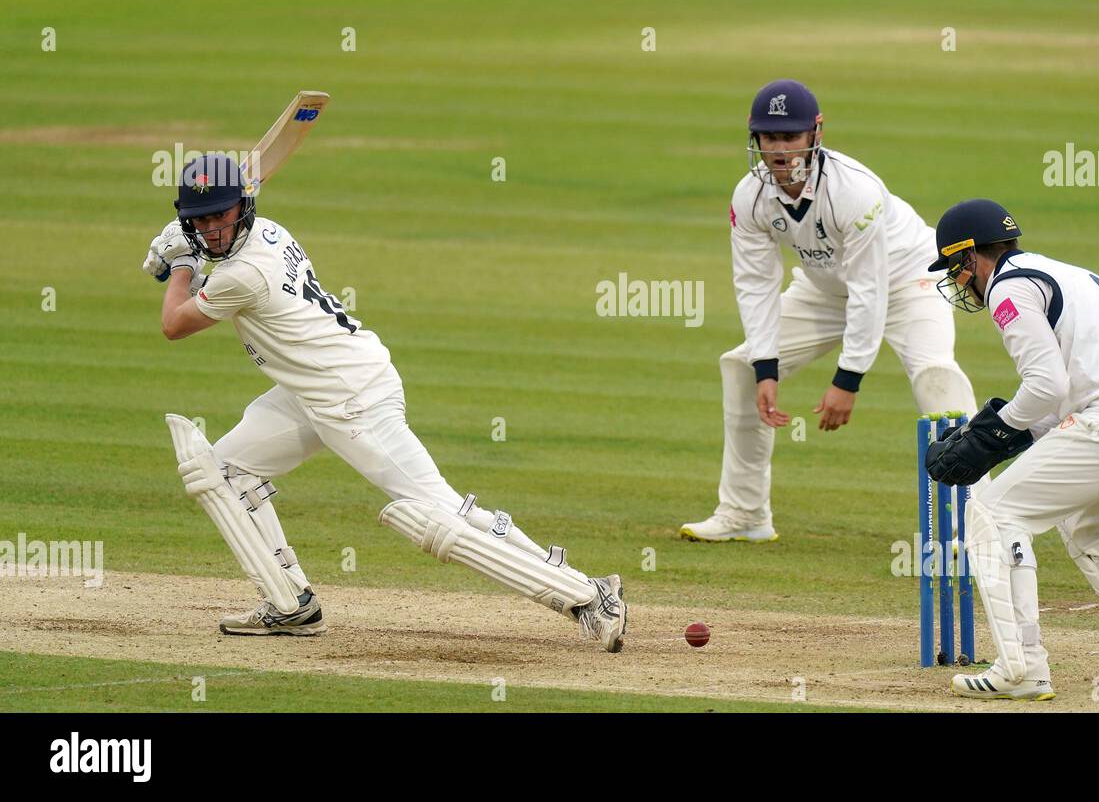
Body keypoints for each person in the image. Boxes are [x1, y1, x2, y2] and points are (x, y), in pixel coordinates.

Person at [144, 153, 627, 651]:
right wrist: (190, 261)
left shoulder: (242, 275)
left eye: (220, 215)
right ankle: (290, 605)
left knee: (439, 515)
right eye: (200, 221)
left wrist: (180, 262)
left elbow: (174, 325)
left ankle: (589, 595)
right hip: (311, 392)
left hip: (352, 399)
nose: (212, 229)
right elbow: (215, 288)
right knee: (222, 471)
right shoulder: (270, 231)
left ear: (241, 208)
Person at [924, 198, 1099, 700]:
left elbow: (1046, 386)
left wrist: (988, 435)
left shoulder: (1008, 286)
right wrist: (996, 440)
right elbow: (1061, 400)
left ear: (970, 258)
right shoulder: (1055, 272)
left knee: (993, 515)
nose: (958, 281)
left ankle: (1021, 670)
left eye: (954, 268)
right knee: (1088, 523)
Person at [680, 79, 979, 542]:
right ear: (754, 138)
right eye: (769, 137)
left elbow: (869, 288)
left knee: (936, 377)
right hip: (823, 292)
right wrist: (766, 365)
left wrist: (848, 379)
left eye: (790, 136)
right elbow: (756, 284)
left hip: (908, 282)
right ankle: (745, 514)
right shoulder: (750, 196)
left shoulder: (855, 191)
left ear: (816, 133)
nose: (779, 150)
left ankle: (977, 526)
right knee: (740, 368)